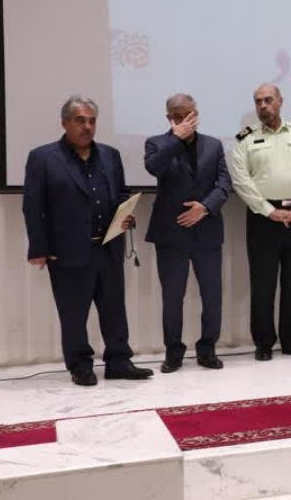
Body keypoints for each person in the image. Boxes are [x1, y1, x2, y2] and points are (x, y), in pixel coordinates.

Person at [22, 96, 153, 386]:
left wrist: (125, 215)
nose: (87, 127)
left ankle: (119, 361)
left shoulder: (110, 155)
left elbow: (121, 193)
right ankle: (80, 365)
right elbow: (32, 206)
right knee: (73, 313)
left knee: (114, 309)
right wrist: (39, 248)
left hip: (108, 247)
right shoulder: (43, 158)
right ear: (65, 123)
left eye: (92, 121)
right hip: (66, 251)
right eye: (80, 120)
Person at [229, 84, 291, 361]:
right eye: (258, 101)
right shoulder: (246, 139)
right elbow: (241, 180)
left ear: (280, 101)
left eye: (268, 100)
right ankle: (264, 343)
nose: (263, 106)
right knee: (263, 283)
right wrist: (268, 210)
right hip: (263, 220)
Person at [144, 93, 232, 373]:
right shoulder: (157, 143)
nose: (185, 121)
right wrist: (176, 138)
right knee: (172, 297)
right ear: (169, 118)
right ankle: (173, 352)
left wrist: (205, 207)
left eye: (189, 115)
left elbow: (224, 183)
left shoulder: (213, 145)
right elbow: (153, 168)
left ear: (197, 113)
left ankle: (207, 349)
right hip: (172, 234)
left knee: (212, 295)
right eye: (178, 117)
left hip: (207, 230)